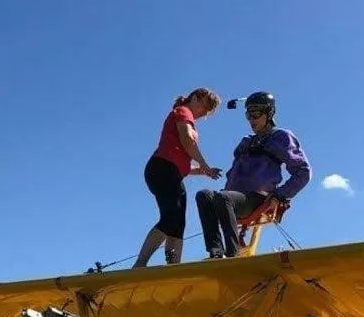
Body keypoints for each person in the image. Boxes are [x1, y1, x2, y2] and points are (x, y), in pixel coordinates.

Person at [195, 91, 311, 259]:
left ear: (269, 112)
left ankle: (232, 255)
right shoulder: (246, 142)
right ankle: (216, 253)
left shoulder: (280, 137)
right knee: (204, 195)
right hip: (234, 198)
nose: (251, 119)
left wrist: (280, 195)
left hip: (257, 198)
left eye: (255, 113)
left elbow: (303, 171)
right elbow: (234, 171)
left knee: (223, 198)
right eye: (248, 114)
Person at [133, 88, 222, 268]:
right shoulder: (182, 111)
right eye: (206, 107)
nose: (205, 113)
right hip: (161, 168)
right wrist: (204, 164)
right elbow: (186, 139)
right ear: (196, 98)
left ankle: (173, 267)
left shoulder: (188, 119)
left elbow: (183, 163)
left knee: (178, 224)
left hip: (173, 173)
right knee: (170, 218)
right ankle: (140, 264)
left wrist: (205, 170)